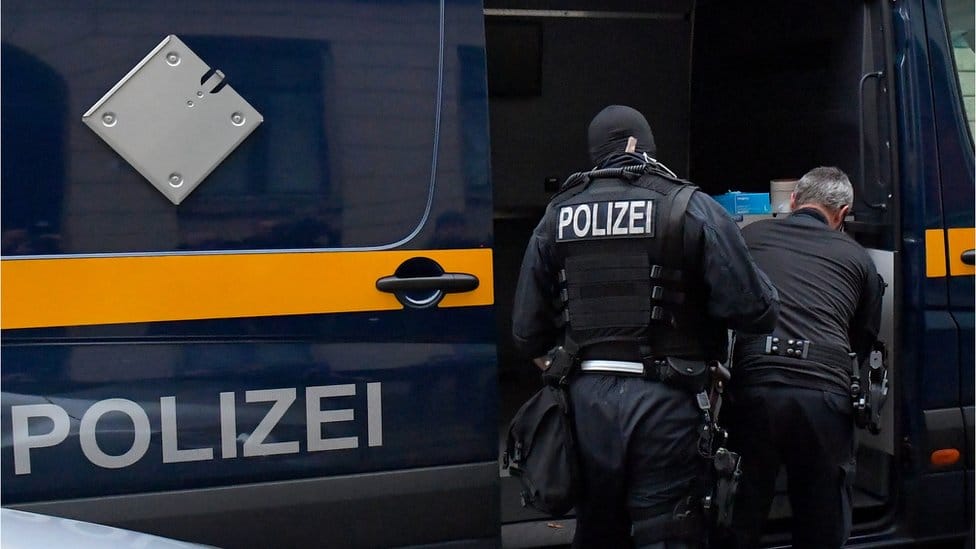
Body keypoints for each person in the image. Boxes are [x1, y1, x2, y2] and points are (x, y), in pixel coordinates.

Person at [511, 105, 779, 549]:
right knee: (668, 530)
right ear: (647, 148)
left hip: (584, 402)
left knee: (598, 527)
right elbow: (756, 310)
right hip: (666, 402)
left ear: (597, 153)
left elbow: (526, 333)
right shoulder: (689, 206)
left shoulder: (557, 216)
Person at [722, 167, 884, 549]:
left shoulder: (750, 236)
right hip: (822, 396)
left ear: (793, 201)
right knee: (821, 521)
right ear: (842, 214)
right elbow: (862, 338)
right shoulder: (858, 258)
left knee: (739, 511)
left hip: (754, 386)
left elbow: (725, 304)